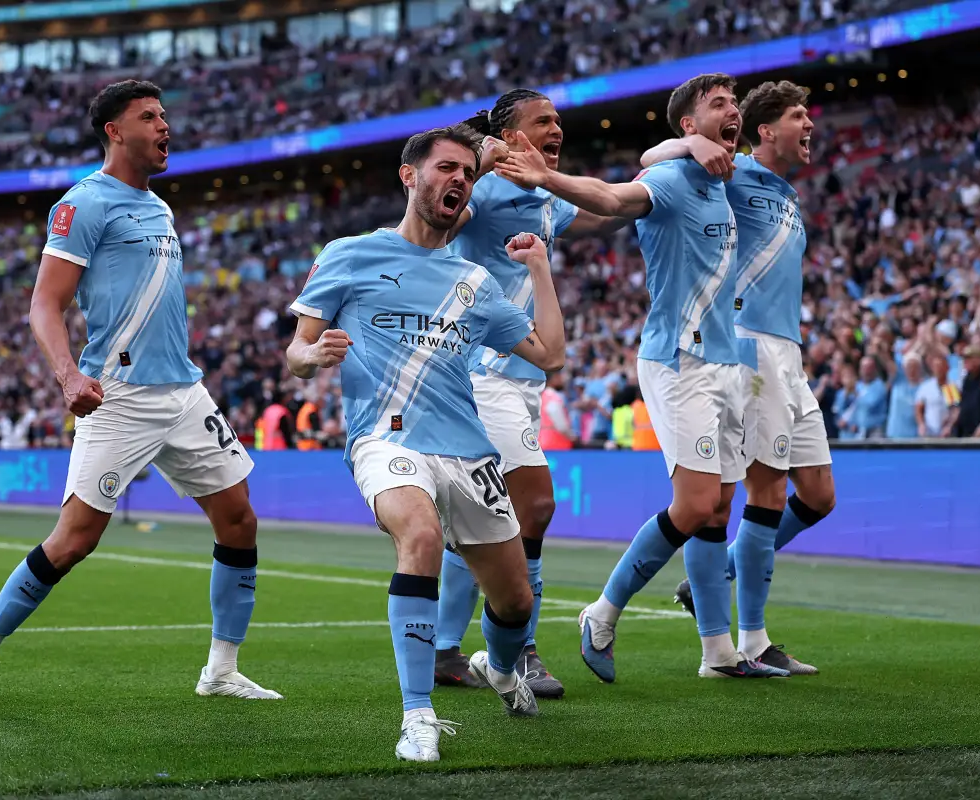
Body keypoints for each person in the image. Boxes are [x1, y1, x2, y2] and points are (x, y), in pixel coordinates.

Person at [0, 80, 277, 705]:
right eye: (149, 116)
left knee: (239, 520)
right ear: (115, 131)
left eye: (165, 114)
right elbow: (45, 302)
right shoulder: (84, 204)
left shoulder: (160, 207)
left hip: (184, 392)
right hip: (117, 394)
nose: (164, 125)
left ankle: (221, 670)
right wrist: (67, 374)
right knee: (75, 539)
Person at [286, 125, 567, 762]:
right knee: (420, 536)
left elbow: (548, 354)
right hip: (384, 441)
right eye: (446, 168)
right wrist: (313, 355)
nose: (459, 179)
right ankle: (418, 715)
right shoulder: (350, 254)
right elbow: (296, 351)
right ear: (411, 176)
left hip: (467, 451)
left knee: (516, 602)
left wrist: (540, 269)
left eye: (468, 171)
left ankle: (498, 665)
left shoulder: (473, 280)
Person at [497, 73, 788, 681]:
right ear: (688, 124)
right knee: (697, 503)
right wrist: (547, 177)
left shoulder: (722, 177)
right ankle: (601, 612)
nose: (732, 111)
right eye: (718, 105)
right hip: (677, 359)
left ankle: (717, 654)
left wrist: (688, 145)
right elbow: (611, 199)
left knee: (718, 510)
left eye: (735, 104)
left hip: (727, 361)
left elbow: (678, 149)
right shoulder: (671, 179)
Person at [638, 80, 837, 674]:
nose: (809, 125)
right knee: (767, 493)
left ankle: (716, 575)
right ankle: (751, 639)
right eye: (799, 116)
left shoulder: (786, 192)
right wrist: (693, 146)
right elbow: (651, 160)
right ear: (766, 130)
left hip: (788, 354)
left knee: (819, 494)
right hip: (747, 348)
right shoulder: (734, 172)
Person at [432, 88, 626, 698]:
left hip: (523, 379)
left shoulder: (547, 193)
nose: (556, 128)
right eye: (543, 120)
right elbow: (433, 219)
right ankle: (520, 652)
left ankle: (443, 649)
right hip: (480, 370)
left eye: (559, 120)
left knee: (483, 518)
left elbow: (614, 210)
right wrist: (479, 158)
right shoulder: (482, 188)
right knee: (534, 506)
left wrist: (669, 167)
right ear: (509, 132)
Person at [915, 354, 960, 438]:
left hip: (945, 434)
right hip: (928, 432)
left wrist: (949, 426)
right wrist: (921, 424)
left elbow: (954, 410)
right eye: (936, 367)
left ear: (947, 368)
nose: (939, 370)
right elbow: (919, 409)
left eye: (941, 366)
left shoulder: (950, 388)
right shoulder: (926, 387)